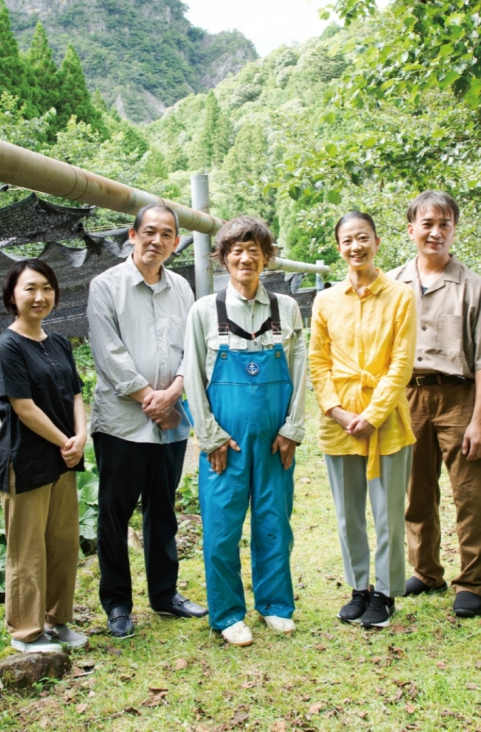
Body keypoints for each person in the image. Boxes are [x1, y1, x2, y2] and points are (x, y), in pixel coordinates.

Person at [389, 191, 481, 619]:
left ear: (454, 230)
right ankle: (425, 571)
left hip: (458, 397)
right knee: (415, 491)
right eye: (426, 224)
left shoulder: (473, 286)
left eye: (444, 224)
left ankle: (473, 582)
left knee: (470, 494)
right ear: (410, 230)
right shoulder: (391, 286)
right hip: (407, 397)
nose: (435, 232)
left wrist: (479, 420)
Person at [182, 216, 307, 646]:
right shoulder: (203, 311)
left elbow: (301, 372)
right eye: (236, 249)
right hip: (225, 443)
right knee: (221, 529)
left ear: (267, 257)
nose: (245, 257)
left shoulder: (286, 309)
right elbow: (192, 379)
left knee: (274, 520)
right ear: (222, 257)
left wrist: (292, 428)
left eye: (254, 249)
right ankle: (228, 613)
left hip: (276, 439)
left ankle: (274, 604)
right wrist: (210, 435)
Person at [86, 204, 207, 638]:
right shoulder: (106, 286)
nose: (157, 240)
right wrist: (147, 397)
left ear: (176, 244)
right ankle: (118, 605)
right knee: (114, 515)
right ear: (133, 235)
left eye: (167, 234)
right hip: (121, 421)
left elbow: (190, 351)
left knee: (163, 509)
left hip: (171, 418)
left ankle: (165, 595)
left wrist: (173, 393)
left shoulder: (182, 290)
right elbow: (109, 352)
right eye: (149, 232)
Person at [309, 211, 418, 629]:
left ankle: (386, 592)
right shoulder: (326, 300)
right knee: (348, 511)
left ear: (376, 242)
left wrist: (373, 415)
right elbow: (318, 361)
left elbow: (401, 363)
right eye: (347, 241)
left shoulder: (401, 295)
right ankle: (359, 588)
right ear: (339, 248)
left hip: (386, 419)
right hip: (339, 419)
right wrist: (336, 410)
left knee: (387, 510)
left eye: (363, 238)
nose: (356, 247)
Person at [0, 258, 89, 653]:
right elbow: (22, 405)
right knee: (28, 548)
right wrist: (66, 440)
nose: (39, 296)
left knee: (63, 541)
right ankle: (26, 632)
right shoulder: (7, 346)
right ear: (12, 296)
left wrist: (81, 435)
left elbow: (77, 393)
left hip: (63, 457)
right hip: (25, 459)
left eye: (46, 288)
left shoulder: (60, 342)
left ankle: (57, 620)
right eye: (29, 288)